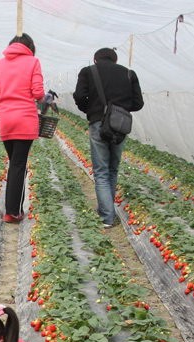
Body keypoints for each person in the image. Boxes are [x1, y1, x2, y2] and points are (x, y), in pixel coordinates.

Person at [72, 47, 144, 228]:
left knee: (101, 171)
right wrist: (120, 108)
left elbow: (79, 96)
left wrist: (91, 109)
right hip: (120, 127)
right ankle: (108, 210)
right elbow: (138, 103)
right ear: (115, 59)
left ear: (95, 59)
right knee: (112, 169)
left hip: (98, 123)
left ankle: (106, 217)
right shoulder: (129, 74)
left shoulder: (89, 71)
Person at [0, 34, 45, 223]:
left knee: (14, 163)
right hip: (25, 119)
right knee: (18, 164)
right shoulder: (33, 62)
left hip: (6, 120)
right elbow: (38, 92)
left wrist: (5, 103)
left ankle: (12, 208)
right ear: (30, 47)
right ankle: (13, 212)